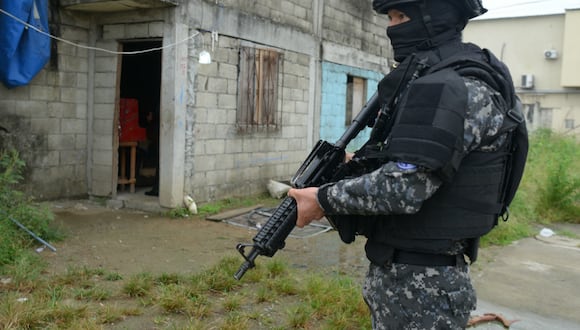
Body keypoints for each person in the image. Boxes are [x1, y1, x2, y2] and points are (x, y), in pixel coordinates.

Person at [288, 0, 526, 329]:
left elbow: (404, 186)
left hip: (424, 286)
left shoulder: (452, 87)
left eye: (401, 16)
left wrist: (322, 199)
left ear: (435, 17)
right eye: (390, 18)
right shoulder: (442, 79)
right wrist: (354, 164)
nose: (392, 28)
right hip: (409, 277)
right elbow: (413, 163)